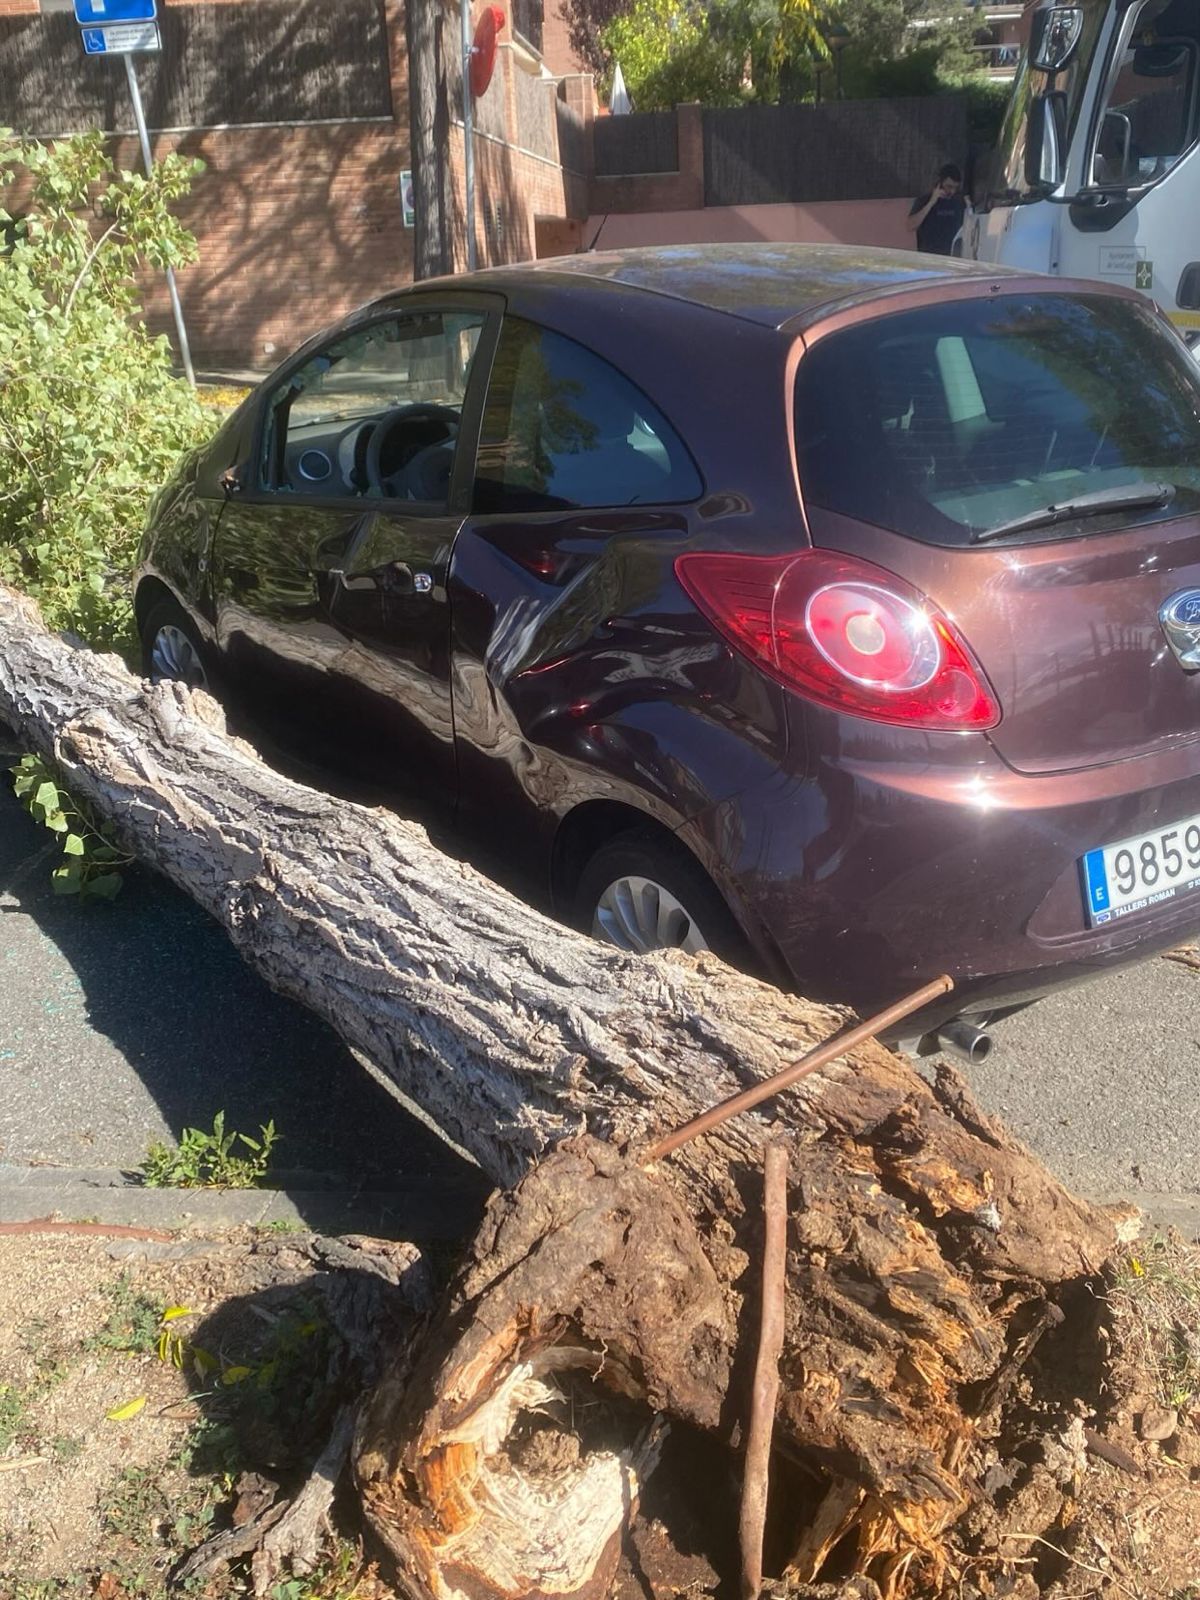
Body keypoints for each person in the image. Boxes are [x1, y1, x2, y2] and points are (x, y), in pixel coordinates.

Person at [906, 164, 969, 255]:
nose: (952, 191)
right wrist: (931, 203)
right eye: (949, 186)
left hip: (952, 257)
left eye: (955, 187)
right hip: (929, 257)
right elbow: (910, 225)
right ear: (940, 183)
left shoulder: (959, 202)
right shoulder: (924, 200)